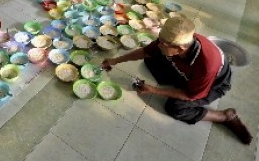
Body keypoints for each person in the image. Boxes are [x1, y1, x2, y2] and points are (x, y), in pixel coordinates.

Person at [101, 17, 253, 145]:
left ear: (180, 49)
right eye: (159, 40)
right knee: (151, 59)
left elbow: (190, 95)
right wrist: (115, 61)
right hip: (189, 73)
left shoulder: (206, 66)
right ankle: (181, 81)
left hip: (214, 84)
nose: (159, 44)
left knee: (175, 107)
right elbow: (146, 51)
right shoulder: (175, 41)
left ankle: (225, 116)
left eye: (163, 44)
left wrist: (154, 90)